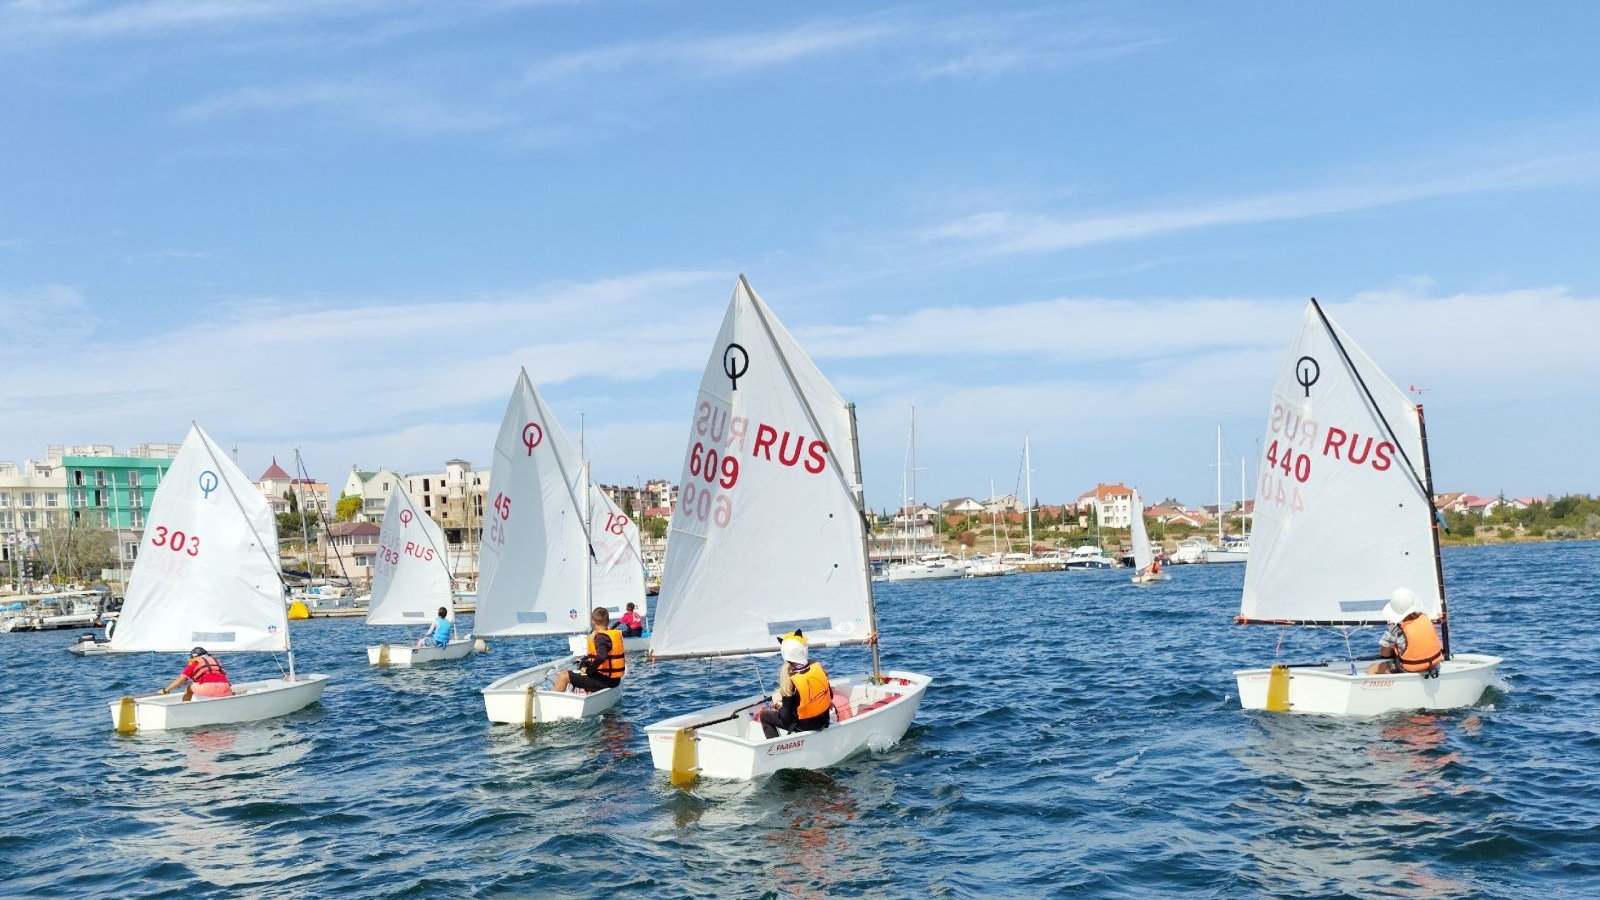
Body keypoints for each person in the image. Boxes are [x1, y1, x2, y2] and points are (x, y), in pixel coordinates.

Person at [759, 632, 832, 740]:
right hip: (824, 721)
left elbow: (785, 717)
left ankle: (776, 749)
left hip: (804, 726)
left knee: (764, 715)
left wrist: (778, 704)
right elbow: (830, 695)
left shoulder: (789, 676)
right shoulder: (817, 667)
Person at [1366, 588, 1444, 675]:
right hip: (1434, 665)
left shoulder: (1395, 629)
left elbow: (1384, 653)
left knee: (1372, 668)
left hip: (1410, 668)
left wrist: (1395, 651)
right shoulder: (1425, 618)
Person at [552, 608, 625, 694]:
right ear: (608, 621)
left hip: (605, 681)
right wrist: (586, 661)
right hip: (613, 679)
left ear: (593, 622)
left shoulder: (601, 637)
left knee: (564, 676)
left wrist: (589, 670)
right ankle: (589, 692)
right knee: (582, 668)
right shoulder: (610, 635)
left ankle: (549, 705)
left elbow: (602, 656)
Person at [159, 647, 233, 701]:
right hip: (226, 689)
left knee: (189, 688)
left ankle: (185, 707)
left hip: (208, 689)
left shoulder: (195, 663)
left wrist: (166, 690)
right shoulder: (215, 661)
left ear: (193, 656)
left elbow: (180, 680)